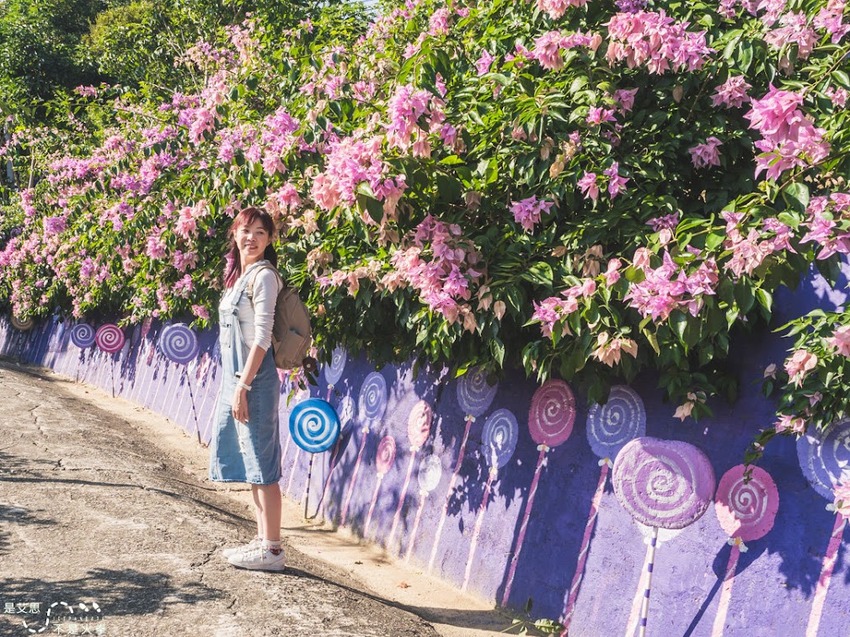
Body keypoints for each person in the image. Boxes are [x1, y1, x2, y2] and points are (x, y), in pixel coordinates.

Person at [209, 206, 285, 571]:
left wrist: (243, 385)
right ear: (234, 234)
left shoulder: (264, 277)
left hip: (254, 379)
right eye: (245, 230)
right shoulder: (239, 277)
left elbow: (263, 337)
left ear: (269, 240)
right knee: (251, 463)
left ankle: (272, 550)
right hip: (239, 379)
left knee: (263, 464)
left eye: (260, 232)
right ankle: (261, 541)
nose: (251, 238)